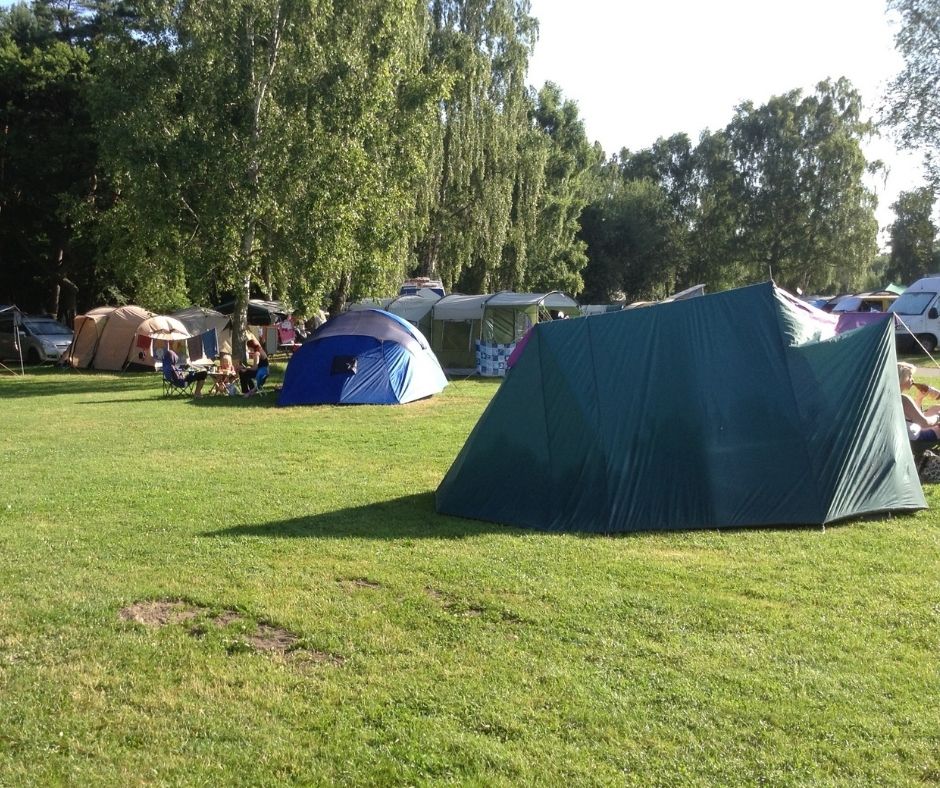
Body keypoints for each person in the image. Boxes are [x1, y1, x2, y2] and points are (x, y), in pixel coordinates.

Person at [898, 361, 940, 439]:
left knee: (936, 408)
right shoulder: (903, 399)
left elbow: (912, 417)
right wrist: (938, 417)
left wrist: (919, 398)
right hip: (914, 436)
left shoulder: (891, 395)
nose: (912, 379)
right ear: (901, 378)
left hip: (905, 430)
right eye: (910, 376)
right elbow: (925, 423)